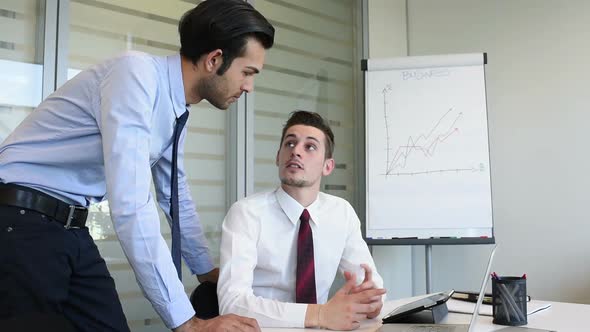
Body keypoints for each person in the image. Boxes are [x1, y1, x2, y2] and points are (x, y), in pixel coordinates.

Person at [0, 1, 274, 331]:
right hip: (18, 221)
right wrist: (189, 323)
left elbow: (176, 198)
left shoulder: (176, 112)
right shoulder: (135, 74)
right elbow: (131, 203)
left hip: (67, 227)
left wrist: (206, 272)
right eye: (248, 73)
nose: (249, 87)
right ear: (215, 59)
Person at [217, 111, 387, 330]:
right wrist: (320, 314)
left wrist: (371, 302)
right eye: (290, 143)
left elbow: (372, 284)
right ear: (278, 156)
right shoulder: (246, 214)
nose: (296, 151)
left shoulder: (341, 213)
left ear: (328, 166)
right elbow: (232, 304)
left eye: (310, 147)